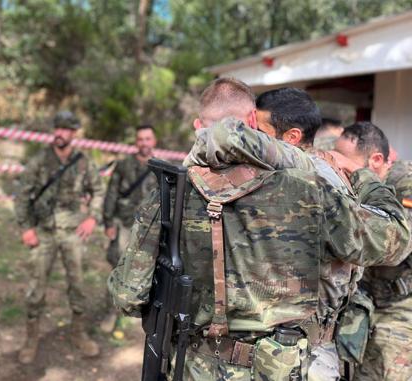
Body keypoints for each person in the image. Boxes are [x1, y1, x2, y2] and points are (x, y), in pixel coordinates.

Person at [108, 79, 411, 380]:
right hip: (291, 368)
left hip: (198, 365)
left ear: (199, 125)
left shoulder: (171, 193)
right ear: (252, 120)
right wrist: (362, 178)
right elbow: (396, 242)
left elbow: (129, 295)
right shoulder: (311, 190)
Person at [14, 110, 104, 364]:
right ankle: (31, 339)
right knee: (36, 288)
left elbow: (98, 190)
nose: (60, 133)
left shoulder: (83, 162)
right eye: (58, 128)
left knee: (77, 285)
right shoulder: (40, 161)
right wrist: (25, 227)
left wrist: (92, 217)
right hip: (43, 232)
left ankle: (79, 334)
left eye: (66, 129)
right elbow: (22, 194)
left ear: (74, 133)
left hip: (73, 234)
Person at [334, 122, 412, 380]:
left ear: (376, 160)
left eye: (349, 164)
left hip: (399, 306)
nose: (342, 170)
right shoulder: (358, 187)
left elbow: (395, 246)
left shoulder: (404, 184)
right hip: (367, 300)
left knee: (382, 370)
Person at [100, 124, 157, 333]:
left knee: (148, 272)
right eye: (140, 139)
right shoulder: (124, 166)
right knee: (117, 269)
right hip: (125, 225)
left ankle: (138, 310)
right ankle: (112, 312)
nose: (144, 143)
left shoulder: (161, 166)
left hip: (151, 230)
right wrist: (108, 223)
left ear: (154, 141)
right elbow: (111, 194)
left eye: (147, 139)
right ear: (136, 142)